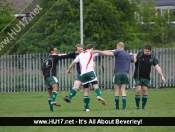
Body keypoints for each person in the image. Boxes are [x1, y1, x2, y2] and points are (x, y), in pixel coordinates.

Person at [93, 42, 136, 110]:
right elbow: (134, 61)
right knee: (123, 90)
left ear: (118, 46)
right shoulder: (128, 54)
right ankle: (124, 107)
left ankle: (117, 108)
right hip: (125, 74)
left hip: (118, 73)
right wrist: (134, 55)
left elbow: (108, 54)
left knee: (116, 90)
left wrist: (98, 51)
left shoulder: (118, 51)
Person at [67, 44, 107, 112]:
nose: (80, 50)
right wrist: (111, 51)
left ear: (83, 49)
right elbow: (99, 52)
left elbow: (72, 63)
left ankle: (87, 108)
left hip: (82, 74)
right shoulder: (90, 52)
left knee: (85, 90)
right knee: (96, 86)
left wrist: (68, 70)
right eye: (78, 49)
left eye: (80, 49)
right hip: (90, 72)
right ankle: (98, 95)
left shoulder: (79, 56)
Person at [42, 47, 75, 112]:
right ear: (51, 52)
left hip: (46, 77)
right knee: (56, 88)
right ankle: (53, 100)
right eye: (56, 51)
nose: (57, 52)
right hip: (51, 75)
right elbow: (64, 56)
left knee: (50, 94)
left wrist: (45, 79)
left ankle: (51, 110)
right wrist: (74, 54)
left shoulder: (45, 59)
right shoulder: (53, 56)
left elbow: (42, 69)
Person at [133, 44, 166, 110]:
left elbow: (157, 67)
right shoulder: (140, 54)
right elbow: (133, 59)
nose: (146, 52)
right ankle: (137, 106)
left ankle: (143, 107)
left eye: (147, 51)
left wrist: (162, 76)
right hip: (137, 76)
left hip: (146, 77)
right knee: (138, 90)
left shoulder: (152, 58)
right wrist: (133, 55)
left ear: (151, 51)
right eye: (145, 51)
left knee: (145, 91)